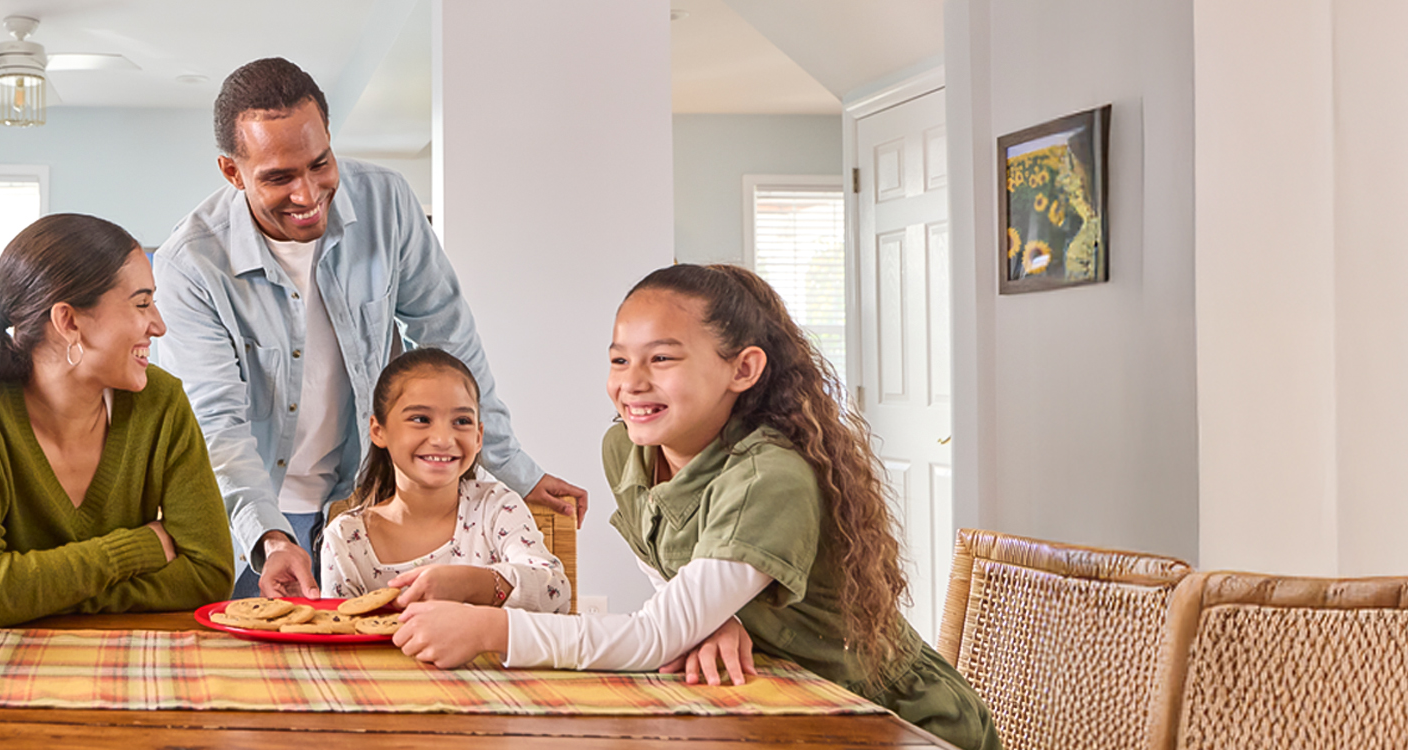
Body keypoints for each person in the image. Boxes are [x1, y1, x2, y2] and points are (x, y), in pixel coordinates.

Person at [389, 264, 1000, 750]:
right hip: (764, 699)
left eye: (663, 358)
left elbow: (656, 637)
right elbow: (672, 582)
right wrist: (713, 615)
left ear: (743, 369)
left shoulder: (769, 477)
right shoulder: (626, 449)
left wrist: (491, 628)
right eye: (619, 358)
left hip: (880, 718)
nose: (632, 381)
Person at [151, 58, 588, 600]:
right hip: (245, 518)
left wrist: (514, 467)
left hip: (362, 501)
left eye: (319, 163)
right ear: (232, 172)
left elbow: (448, 341)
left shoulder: (386, 203)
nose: (308, 195)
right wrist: (269, 537)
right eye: (279, 177)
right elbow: (216, 425)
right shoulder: (189, 266)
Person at [0, 213, 234, 627]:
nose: (158, 325)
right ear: (68, 321)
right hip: (1, 675)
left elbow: (209, 575)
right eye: (142, 303)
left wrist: (25, 593)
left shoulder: (161, 404)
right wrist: (138, 548)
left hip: (129, 669)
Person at [318, 347, 571, 614]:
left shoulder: (496, 507)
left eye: (461, 421)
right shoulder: (346, 539)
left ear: (478, 437)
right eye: (420, 419)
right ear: (378, 431)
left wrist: (471, 584)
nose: (443, 439)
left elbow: (555, 592)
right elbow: (338, 639)